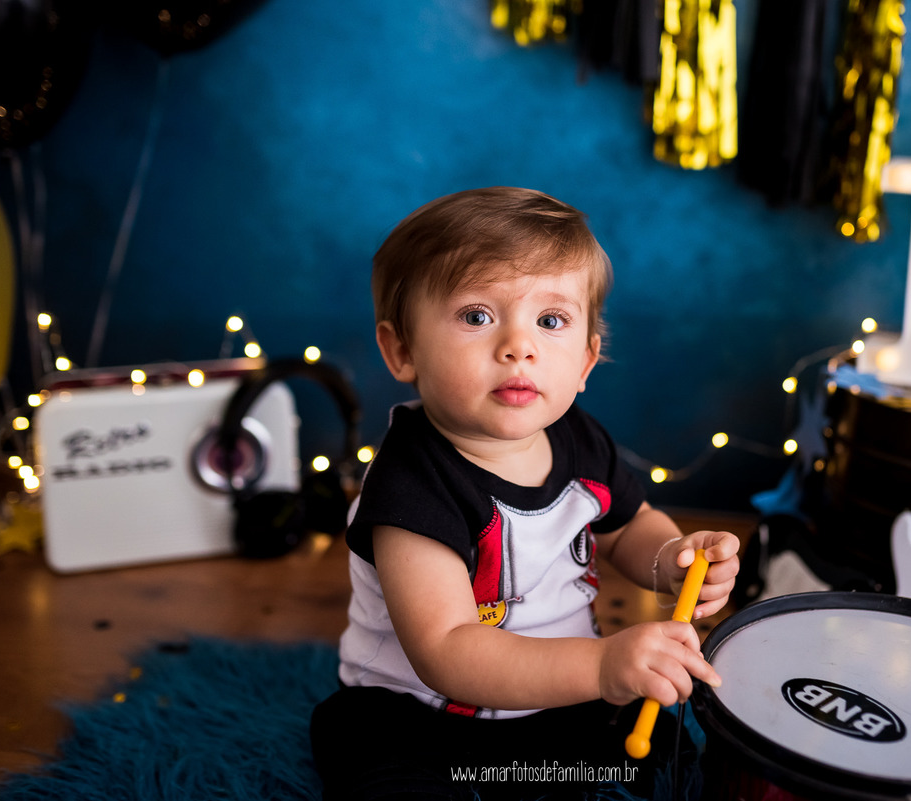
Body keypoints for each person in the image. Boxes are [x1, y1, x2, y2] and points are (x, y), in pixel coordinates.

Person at [310, 187, 740, 800]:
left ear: (586, 360)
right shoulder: (411, 487)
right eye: (476, 316)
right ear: (403, 350)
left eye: (551, 321)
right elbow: (447, 651)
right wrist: (602, 665)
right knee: (383, 767)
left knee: (661, 754)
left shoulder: (580, 441)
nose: (519, 346)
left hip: (557, 694)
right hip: (421, 715)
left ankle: (530, 770)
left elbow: (628, 525)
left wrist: (672, 560)